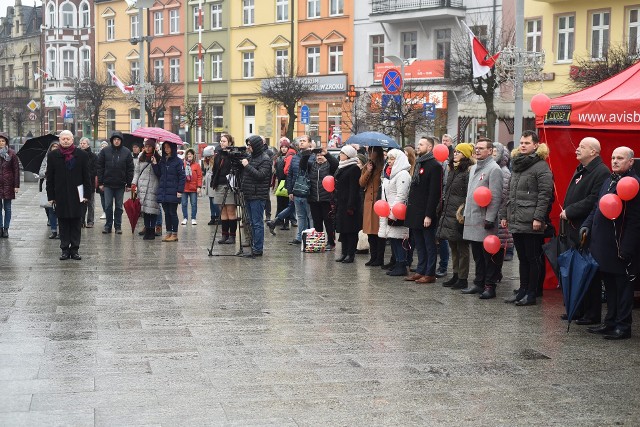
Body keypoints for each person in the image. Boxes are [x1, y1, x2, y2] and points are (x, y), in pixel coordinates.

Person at [582, 146, 640, 340]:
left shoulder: (633, 184)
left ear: (630, 162)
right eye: (613, 157)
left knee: (623, 288)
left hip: (620, 246)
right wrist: (587, 225)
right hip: (603, 245)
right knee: (610, 286)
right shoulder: (608, 180)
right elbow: (596, 208)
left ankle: (623, 327)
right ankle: (610, 322)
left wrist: (626, 248)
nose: (615, 161)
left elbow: (634, 221)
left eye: (620, 158)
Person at [558, 137, 610, 324]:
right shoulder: (582, 169)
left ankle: (592, 313)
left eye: (582, 147)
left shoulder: (601, 172)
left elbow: (594, 200)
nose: (577, 149)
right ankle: (577, 309)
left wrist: (570, 211)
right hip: (573, 227)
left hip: (586, 229)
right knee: (575, 271)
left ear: (593, 152)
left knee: (589, 273)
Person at [501, 130, 554, 306]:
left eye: (527, 143)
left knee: (532, 258)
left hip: (532, 220)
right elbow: (510, 194)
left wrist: (539, 217)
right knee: (522, 258)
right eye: (521, 142)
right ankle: (522, 290)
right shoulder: (517, 164)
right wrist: (505, 215)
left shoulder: (541, 166)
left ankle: (532, 293)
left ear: (536, 145)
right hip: (517, 218)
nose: (523, 145)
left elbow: (545, 195)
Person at [462, 139, 503, 298]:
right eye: (476, 148)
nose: (477, 151)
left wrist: (490, 218)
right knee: (477, 255)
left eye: (481, 148)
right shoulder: (473, 168)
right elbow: (470, 194)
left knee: (488, 256)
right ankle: (478, 283)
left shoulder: (494, 169)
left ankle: (489, 286)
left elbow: (496, 196)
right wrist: (465, 214)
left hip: (485, 219)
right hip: (472, 217)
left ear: (490, 151)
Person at [45, 130, 91, 260]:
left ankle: (75, 249)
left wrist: (87, 194)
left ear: (72, 140)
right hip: (60, 194)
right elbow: (50, 178)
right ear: (59, 140)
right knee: (63, 222)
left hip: (78, 193)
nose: (65, 141)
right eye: (63, 138)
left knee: (77, 222)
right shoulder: (53, 155)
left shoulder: (81, 155)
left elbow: (86, 176)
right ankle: (65, 249)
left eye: (68, 139)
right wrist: (51, 196)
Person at [404, 136, 443, 283]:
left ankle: (430, 272)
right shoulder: (419, 163)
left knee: (429, 244)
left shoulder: (434, 166)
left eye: (421, 144)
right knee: (419, 244)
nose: (418, 146)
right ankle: (420, 270)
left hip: (426, 212)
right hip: (415, 211)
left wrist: (429, 215)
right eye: (418, 144)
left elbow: (434, 193)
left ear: (430, 147)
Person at [437, 143, 474, 289]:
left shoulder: (467, 171)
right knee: (453, 245)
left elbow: (467, 194)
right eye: (456, 151)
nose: (456, 153)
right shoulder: (452, 169)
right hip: (449, 212)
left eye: (459, 152)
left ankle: (463, 277)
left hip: (459, 213)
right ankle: (455, 274)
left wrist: (463, 212)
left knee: (462, 247)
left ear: (465, 154)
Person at [378, 149, 412, 276]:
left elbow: (401, 196)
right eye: (389, 159)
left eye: (392, 159)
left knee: (399, 239)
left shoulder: (403, 174)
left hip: (398, 212)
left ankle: (402, 264)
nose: (389, 161)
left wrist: (393, 214)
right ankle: (397, 262)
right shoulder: (390, 174)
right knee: (393, 238)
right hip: (389, 210)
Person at [301, 145, 339, 250]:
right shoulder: (312, 165)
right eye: (317, 155)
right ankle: (319, 242)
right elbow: (302, 166)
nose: (319, 157)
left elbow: (336, 164)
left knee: (329, 223)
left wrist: (326, 153)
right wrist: (306, 154)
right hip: (313, 199)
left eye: (321, 155)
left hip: (327, 199)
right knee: (317, 222)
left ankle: (331, 243)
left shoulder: (329, 166)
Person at [240, 135, 272, 257]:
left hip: (258, 195)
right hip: (248, 193)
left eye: (250, 145)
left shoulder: (265, 159)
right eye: (248, 145)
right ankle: (254, 246)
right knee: (251, 222)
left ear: (256, 146)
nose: (248, 147)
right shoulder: (250, 157)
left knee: (257, 223)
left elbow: (260, 175)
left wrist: (247, 166)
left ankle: (258, 249)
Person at [97, 131, 134, 234]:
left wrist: (129, 183)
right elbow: (100, 167)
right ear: (112, 140)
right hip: (107, 183)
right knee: (108, 205)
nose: (116, 141)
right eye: (115, 139)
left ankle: (118, 226)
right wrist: (100, 182)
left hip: (120, 184)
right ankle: (108, 226)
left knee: (118, 206)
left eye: (118, 139)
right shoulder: (105, 151)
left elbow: (130, 169)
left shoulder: (126, 152)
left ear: (121, 141)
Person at [334, 145, 362, 263]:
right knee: (343, 230)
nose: (340, 155)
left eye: (342, 153)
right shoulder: (341, 167)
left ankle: (351, 254)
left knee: (351, 231)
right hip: (340, 203)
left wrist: (351, 206)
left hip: (350, 205)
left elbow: (353, 189)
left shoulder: (354, 168)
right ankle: (344, 253)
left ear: (348, 155)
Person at [153, 142, 185, 242]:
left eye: (168, 147)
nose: (166, 149)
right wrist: (154, 164)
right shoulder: (163, 161)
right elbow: (159, 173)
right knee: (166, 213)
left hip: (173, 190)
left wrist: (180, 190)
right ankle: (168, 232)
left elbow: (182, 177)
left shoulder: (178, 161)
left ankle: (174, 234)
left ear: (173, 148)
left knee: (172, 212)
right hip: (164, 190)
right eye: (165, 147)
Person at [359, 146, 385, 266]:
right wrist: (368, 171)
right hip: (368, 202)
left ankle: (379, 258)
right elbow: (361, 183)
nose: (369, 153)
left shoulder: (382, 167)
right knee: (370, 231)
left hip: (379, 202)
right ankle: (373, 256)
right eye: (369, 151)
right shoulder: (367, 166)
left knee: (378, 232)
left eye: (372, 151)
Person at [286, 135, 314, 245]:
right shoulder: (295, 157)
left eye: (304, 141)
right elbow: (290, 175)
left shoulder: (313, 156)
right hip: (297, 191)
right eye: (300, 141)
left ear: (310, 143)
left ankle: (312, 237)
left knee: (310, 216)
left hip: (308, 192)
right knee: (300, 216)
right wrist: (290, 191)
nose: (301, 143)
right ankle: (299, 237)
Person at [212, 134, 238, 244]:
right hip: (219, 184)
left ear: (230, 143)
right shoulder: (218, 155)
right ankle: (224, 235)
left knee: (231, 211)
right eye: (221, 141)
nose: (222, 143)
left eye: (224, 141)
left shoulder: (233, 155)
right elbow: (215, 170)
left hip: (230, 185)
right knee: (222, 211)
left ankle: (232, 236)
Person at [132, 139, 161, 240]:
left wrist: (155, 164)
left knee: (152, 210)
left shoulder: (158, 157)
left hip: (153, 187)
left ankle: (151, 231)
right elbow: (136, 172)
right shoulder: (141, 156)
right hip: (142, 187)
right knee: (144, 210)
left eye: (149, 146)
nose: (147, 148)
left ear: (153, 147)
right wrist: (134, 183)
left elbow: (159, 174)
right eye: (146, 146)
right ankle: (147, 230)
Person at [493, 142, 514, 261]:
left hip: (500, 211)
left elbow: (502, 194)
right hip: (495, 211)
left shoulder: (503, 171)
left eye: (496, 152)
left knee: (500, 242)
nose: (493, 154)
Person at [271, 137, 297, 231]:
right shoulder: (277, 157)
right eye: (282, 147)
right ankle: (280, 221)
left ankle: (286, 223)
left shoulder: (290, 157)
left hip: (287, 182)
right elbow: (275, 171)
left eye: (286, 147)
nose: (284, 149)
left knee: (287, 203)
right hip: (280, 182)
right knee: (280, 203)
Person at [39, 141, 60, 239]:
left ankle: (61, 231)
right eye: (53, 146)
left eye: (57, 146)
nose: (55, 148)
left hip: (60, 185)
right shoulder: (46, 159)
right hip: (49, 184)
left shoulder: (62, 157)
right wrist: (46, 171)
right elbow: (41, 172)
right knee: (51, 209)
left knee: (60, 210)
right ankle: (53, 230)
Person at [0, 131, 19, 238]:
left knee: (7, 208)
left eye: (3, 141)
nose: (1, 143)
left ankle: (6, 228)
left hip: (8, 184)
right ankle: (0, 228)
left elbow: (16, 170)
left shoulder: (12, 153)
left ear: (6, 142)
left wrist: (16, 185)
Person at [78, 137, 97, 228]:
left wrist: (87, 175)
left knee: (90, 203)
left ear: (88, 145)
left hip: (90, 183)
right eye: (81, 143)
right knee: (81, 203)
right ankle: (81, 221)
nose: (82, 144)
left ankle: (90, 221)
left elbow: (95, 170)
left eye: (84, 143)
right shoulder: (76, 154)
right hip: (79, 183)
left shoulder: (93, 156)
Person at [181, 148, 202, 225]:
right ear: (186, 155)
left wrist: (199, 186)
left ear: (193, 156)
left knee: (193, 204)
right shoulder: (183, 164)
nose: (189, 155)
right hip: (184, 187)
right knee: (184, 203)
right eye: (188, 154)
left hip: (193, 188)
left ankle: (193, 218)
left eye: (191, 154)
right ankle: (185, 218)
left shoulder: (197, 165)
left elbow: (199, 176)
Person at [201, 146, 220, 225]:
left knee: (214, 201)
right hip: (209, 184)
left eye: (208, 157)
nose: (207, 158)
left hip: (213, 183)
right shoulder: (206, 162)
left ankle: (218, 216)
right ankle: (213, 216)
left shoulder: (215, 162)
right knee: (211, 201)